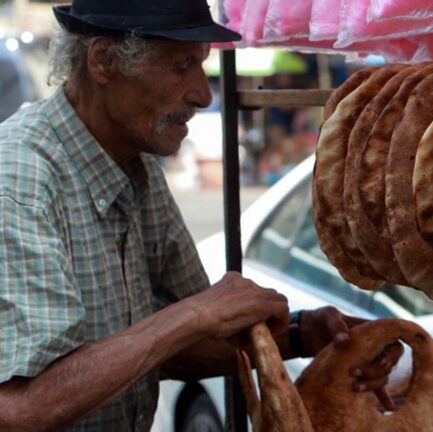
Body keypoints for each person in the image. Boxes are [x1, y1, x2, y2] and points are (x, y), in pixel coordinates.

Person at [0, 0, 402, 430]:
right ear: (103, 61)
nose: (203, 94)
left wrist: (304, 335)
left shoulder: (136, 167)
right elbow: (20, 408)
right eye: (181, 67)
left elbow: (171, 350)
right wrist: (195, 314)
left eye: (201, 65)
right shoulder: (20, 182)